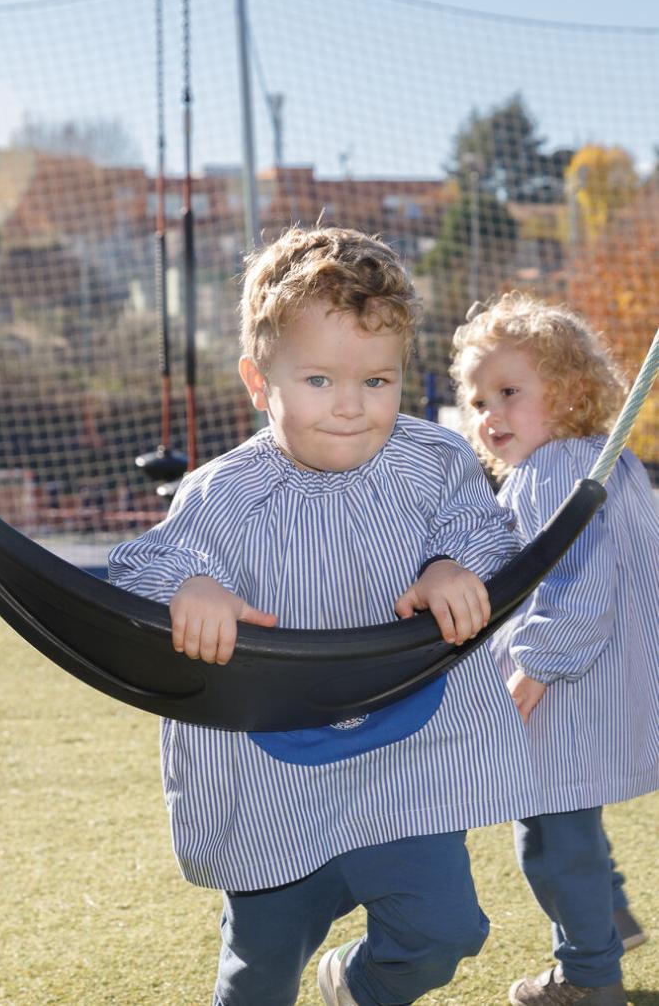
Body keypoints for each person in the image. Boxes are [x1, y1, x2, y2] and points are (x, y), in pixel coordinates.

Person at [109, 225, 541, 1006]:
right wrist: (191, 590)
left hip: (405, 757)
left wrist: (451, 565)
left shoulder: (434, 461)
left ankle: (359, 983)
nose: (351, 406)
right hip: (274, 775)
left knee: (447, 930)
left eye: (378, 381)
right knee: (260, 971)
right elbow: (142, 565)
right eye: (317, 380)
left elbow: (484, 530)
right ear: (256, 378)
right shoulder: (222, 491)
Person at [452, 291, 658, 1006]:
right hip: (617, 684)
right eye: (478, 400)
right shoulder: (613, 465)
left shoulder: (548, 475)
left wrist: (535, 664)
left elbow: (580, 579)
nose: (489, 414)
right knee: (575, 814)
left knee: (546, 831)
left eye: (509, 392)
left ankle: (588, 975)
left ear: (569, 393)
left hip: (570, 681)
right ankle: (612, 914)